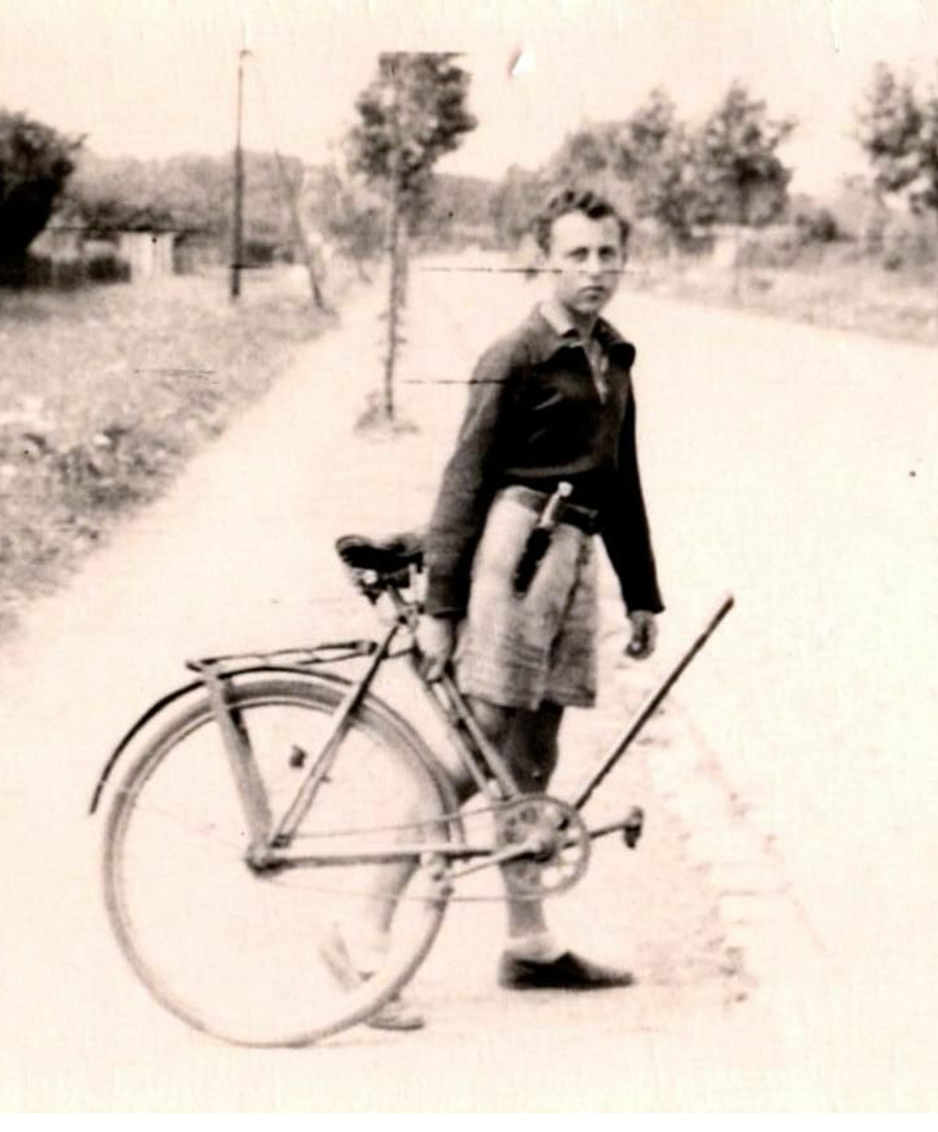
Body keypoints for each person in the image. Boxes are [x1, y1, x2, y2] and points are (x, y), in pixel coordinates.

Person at [330, 187, 666, 1031]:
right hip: (513, 554)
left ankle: (530, 942)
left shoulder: (614, 356)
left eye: (606, 254)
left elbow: (620, 485)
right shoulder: (514, 352)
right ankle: (361, 929)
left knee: (536, 752)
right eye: (576, 255)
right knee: (472, 749)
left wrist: (642, 593)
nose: (594, 270)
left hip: (573, 556)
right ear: (543, 260)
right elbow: (463, 480)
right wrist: (441, 605)